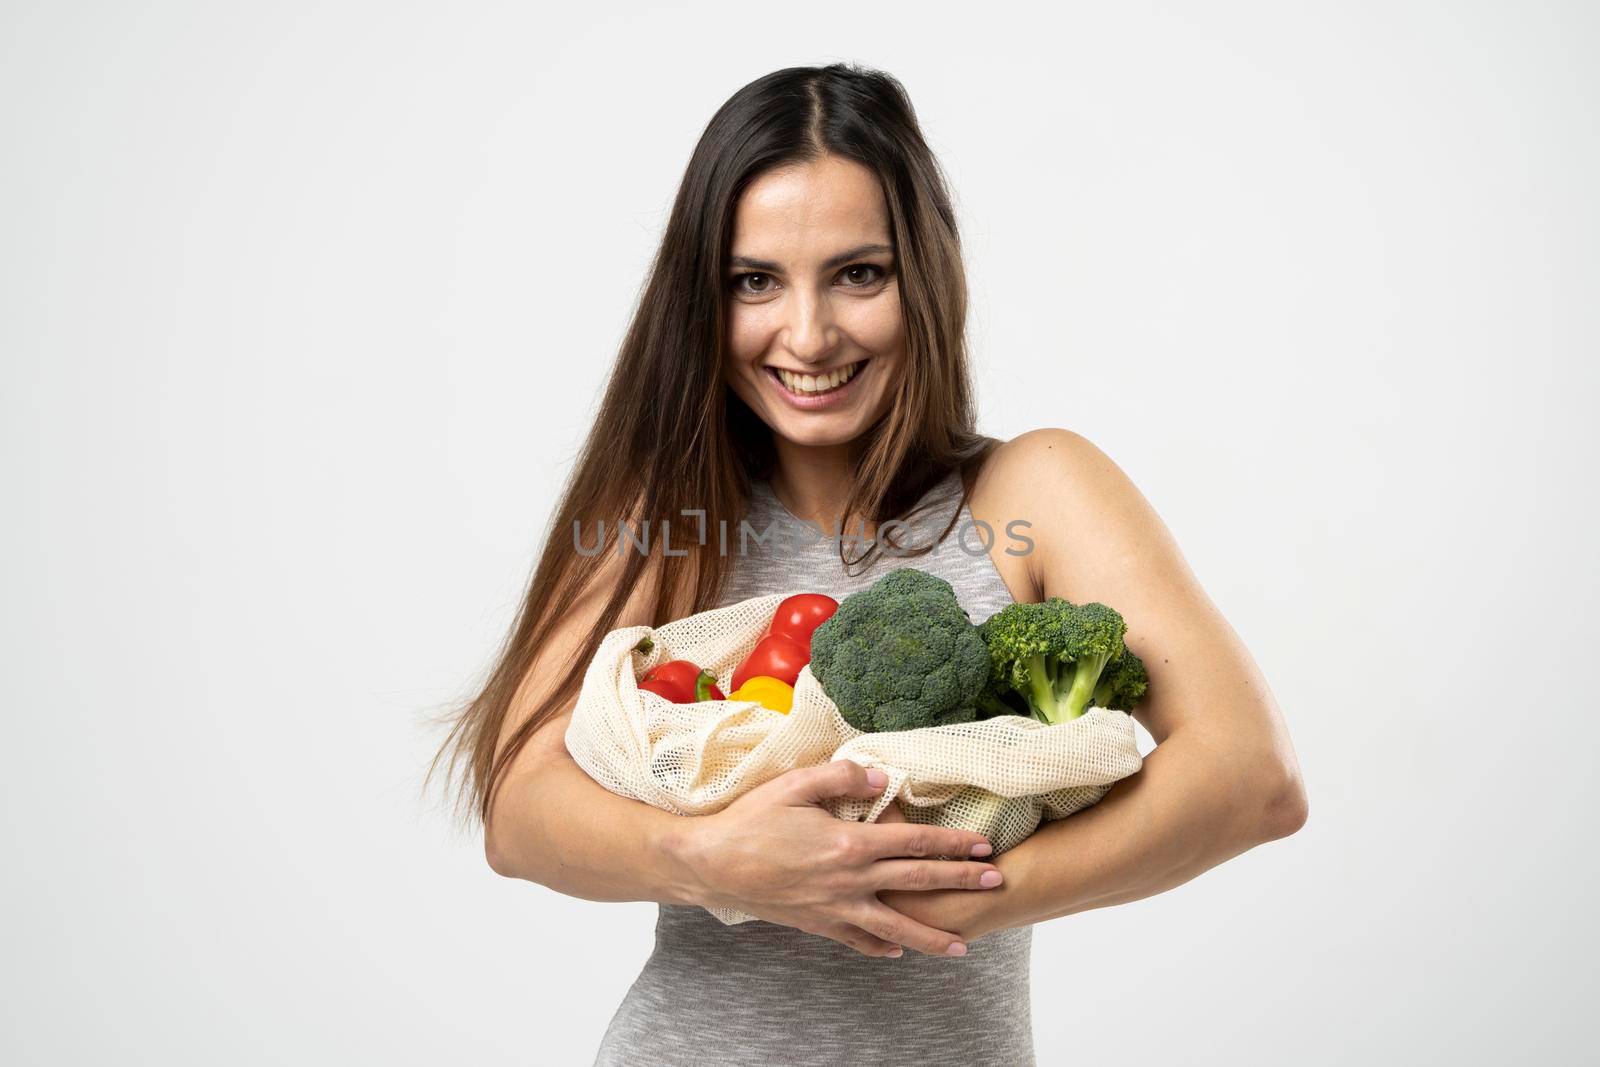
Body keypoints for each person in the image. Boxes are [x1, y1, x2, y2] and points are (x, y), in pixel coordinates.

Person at [432, 62, 1308, 1066]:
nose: (807, 335)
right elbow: (519, 808)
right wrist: (710, 860)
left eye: (859, 272)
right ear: (702, 301)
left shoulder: (1032, 492)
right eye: (753, 281)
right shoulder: (668, 509)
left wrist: (941, 896)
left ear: (923, 276)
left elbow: (1252, 774)